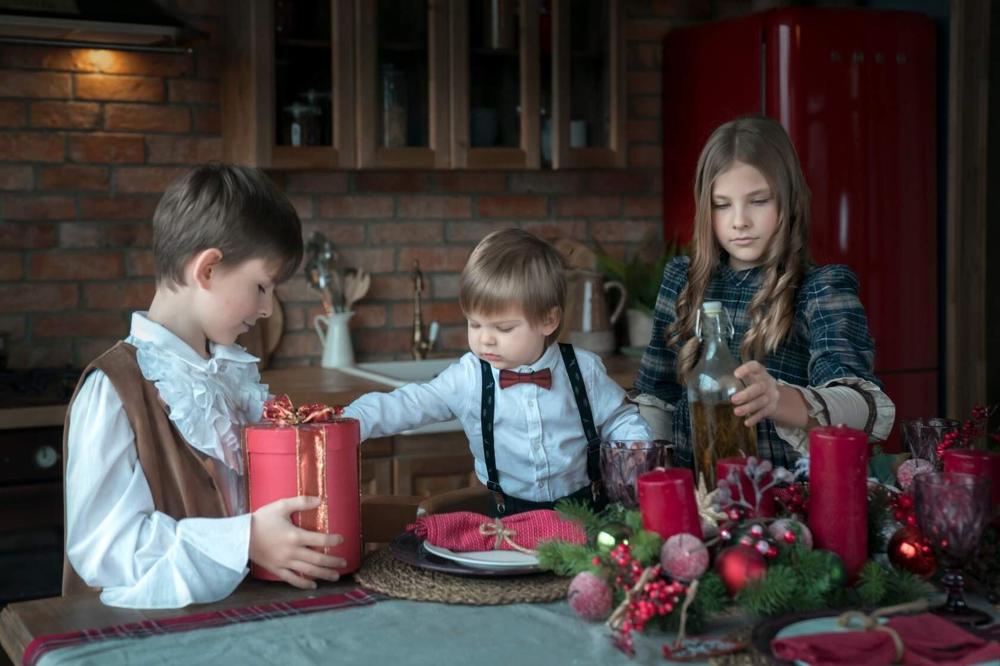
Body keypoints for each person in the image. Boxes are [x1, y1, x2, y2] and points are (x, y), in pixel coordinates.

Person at [63, 165, 345, 609]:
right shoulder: (114, 390)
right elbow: (105, 549)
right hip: (146, 635)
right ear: (208, 269)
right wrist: (245, 540)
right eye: (261, 287)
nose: (268, 308)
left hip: (236, 616)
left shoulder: (232, 378)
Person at [634, 116, 894, 472]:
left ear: (789, 200)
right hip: (699, 504)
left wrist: (780, 399)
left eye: (758, 201)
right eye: (722, 204)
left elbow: (866, 408)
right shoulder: (682, 281)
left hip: (790, 508)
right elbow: (657, 400)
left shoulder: (820, 290)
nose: (739, 220)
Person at [344, 228, 651, 516]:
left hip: (584, 513)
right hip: (507, 519)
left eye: (503, 328)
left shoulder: (583, 370)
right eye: (474, 324)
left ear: (548, 320)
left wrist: (636, 447)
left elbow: (618, 418)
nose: (485, 338)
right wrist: (353, 420)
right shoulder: (469, 377)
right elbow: (412, 402)